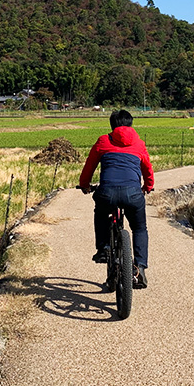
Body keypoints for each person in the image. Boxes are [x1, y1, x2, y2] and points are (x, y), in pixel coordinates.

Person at [78, 109, 155, 288]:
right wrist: (148, 186)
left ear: (112, 125)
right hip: (133, 193)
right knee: (139, 228)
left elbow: (89, 166)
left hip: (107, 192)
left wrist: (85, 185)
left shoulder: (103, 140)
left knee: (100, 212)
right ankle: (140, 268)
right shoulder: (139, 143)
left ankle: (104, 248)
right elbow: (147, 169)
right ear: (131, 123)